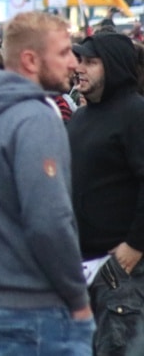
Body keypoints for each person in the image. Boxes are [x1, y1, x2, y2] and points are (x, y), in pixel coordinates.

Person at [0, 11, 93, 355]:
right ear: (29, 59)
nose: (73, 63)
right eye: (63, 53)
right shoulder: (34, 117)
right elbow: (49, 220)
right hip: (34, 310)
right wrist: (77, 297)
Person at [68, 32, 144, 355]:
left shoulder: (136, 114)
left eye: (91, 61)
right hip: (82, 268)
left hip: (122, 271)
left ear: (112, 66)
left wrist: (135, 245)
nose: (80, 68)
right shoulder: (81, 116)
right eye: (80, 60)